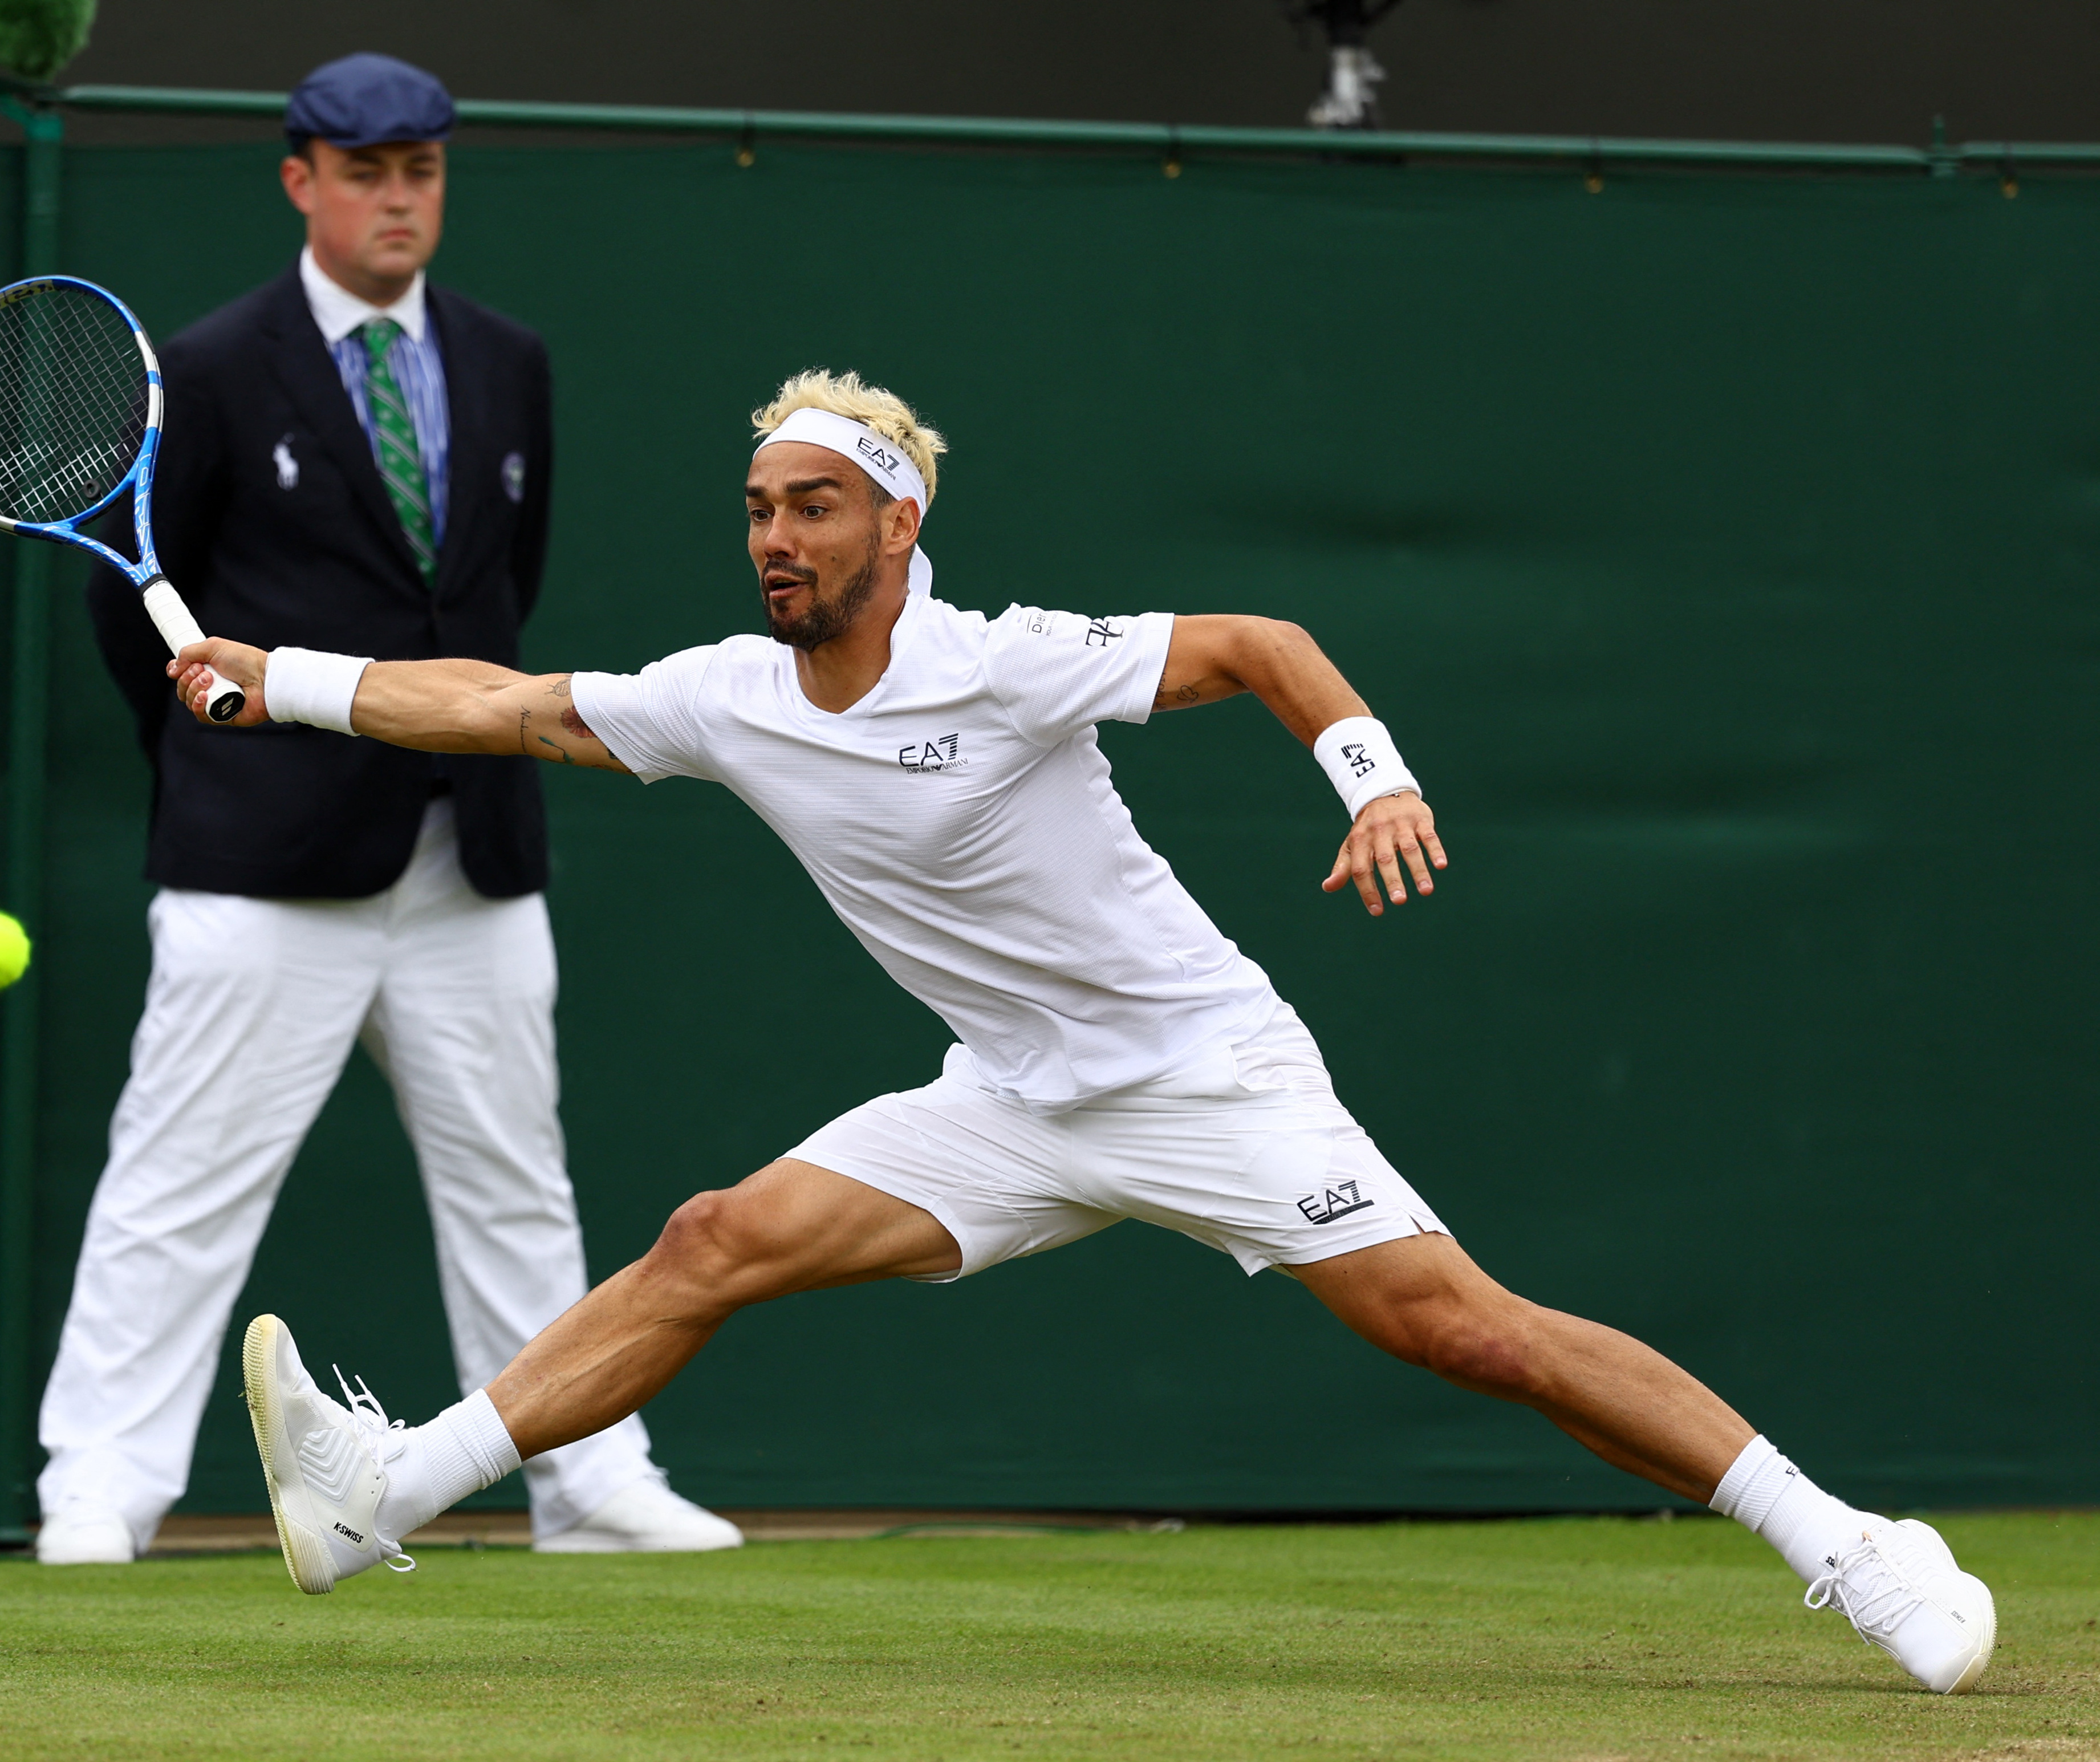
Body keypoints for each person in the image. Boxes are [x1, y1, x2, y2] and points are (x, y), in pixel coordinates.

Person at [167, 368, 1996, 1696]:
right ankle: (382, 1488)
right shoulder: (727, 699)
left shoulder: (1008, 657)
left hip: (1204, 1076)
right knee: (712, 1238)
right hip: (1011, 1102)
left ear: (899, 522)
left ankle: (1848, 1541)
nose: (776, 538)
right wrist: (283, 675)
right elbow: (500, 705)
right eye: (756, 508)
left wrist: (1371, 779)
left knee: (1467, 1331)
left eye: (812, 505)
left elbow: (1265, 645)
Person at [32, 51, 738, 1565]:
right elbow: (133, 629)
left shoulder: (509, 360)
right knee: (174, 1188)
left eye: (419, 168)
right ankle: (98, 1489)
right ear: (301, 181)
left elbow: (493, 589)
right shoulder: (208, 368)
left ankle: (591, 1478)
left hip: (468, 851)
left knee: (517, 1185)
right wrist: (235, 769)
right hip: (258, 865)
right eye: (364, 170)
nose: (396, 196)